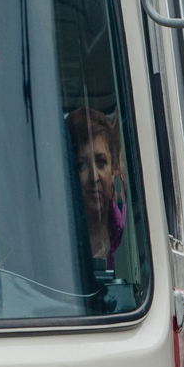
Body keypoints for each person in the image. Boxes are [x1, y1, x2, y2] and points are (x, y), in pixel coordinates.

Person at [67, 107, 128, 272]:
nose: (94, 177)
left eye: (101, 163)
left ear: (113, 169)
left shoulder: (129, 238)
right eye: (82, 165)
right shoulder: (56, 241)